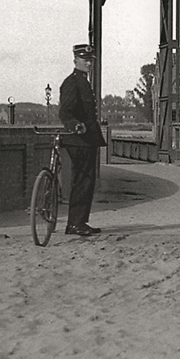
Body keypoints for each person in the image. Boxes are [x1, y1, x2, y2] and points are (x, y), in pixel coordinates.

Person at [59, 43, 108, 236]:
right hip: (79, 140)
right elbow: (65, 112)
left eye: (90, 60)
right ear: (75, 60)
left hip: (86, 139)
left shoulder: (82, 81)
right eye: (84, 60)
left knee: (85, 181)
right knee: (82, 181)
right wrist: (74, 124)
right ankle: (75, 224)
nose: (88, 63)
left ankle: (78, 222)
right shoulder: (72, 83)